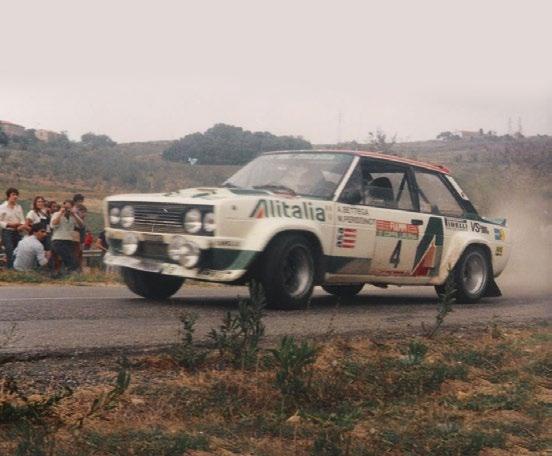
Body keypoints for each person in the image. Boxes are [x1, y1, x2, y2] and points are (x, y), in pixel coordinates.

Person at [51, 199, 84, 273]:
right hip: (58, 240)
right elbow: (53, 224)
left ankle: (68, 272)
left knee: (73, 259)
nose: (67, 209)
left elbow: (81, 225)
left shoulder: (73, 216)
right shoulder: (56, 214)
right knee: (68, 258)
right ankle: (69, 272)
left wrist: (74, 214)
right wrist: (61, 213)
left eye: (69, 208)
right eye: (65, 207)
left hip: (69, 240)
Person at [0, 187, 29, 268]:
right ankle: (10, 270)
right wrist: (8, 224)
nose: (15, 197)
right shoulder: (2, 207)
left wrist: (21, 225)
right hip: (7, 231)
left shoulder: (18, 207)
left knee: (18, 250)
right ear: (8, 196)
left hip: (17, 231)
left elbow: (22, 220)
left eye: (16, 195)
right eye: (13, 195)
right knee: (9, 250)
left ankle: (17, 269)